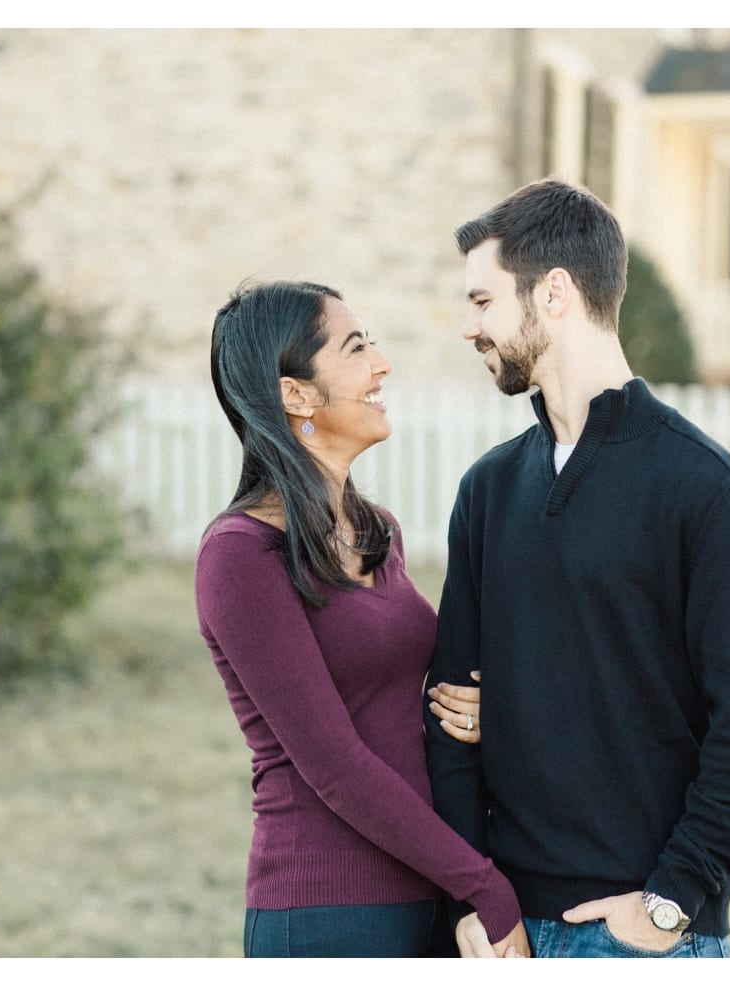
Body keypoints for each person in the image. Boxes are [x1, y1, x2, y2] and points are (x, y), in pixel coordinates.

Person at [424, 179, 730, 959]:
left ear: (554, 293)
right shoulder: (488, 489)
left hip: (641, 936)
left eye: (484, 301)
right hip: (505, 934)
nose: (469, 327)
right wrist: (472, 898)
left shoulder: (705, 488)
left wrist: (671, 901)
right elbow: (450, 712)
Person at [195, 280, 531, 958]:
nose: (382, 364)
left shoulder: (378, 531)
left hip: (430, 890)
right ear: (297, 395)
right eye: (356, 349)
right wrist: (488, 888)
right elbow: (335, 764)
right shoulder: (240, 554)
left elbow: (406, 707)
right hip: (328, 911)